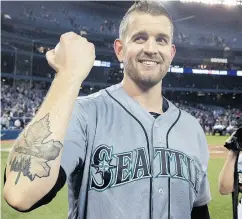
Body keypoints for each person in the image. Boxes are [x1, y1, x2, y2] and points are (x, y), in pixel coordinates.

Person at [3, 1, 211, 219]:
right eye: (140, 38)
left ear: (171, 52)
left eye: (161, 40)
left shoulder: (192, 128)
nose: (151, 49)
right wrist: (67, 77)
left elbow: (199, 211)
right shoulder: (83, 114)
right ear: (120, 50)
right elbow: (21, 194)